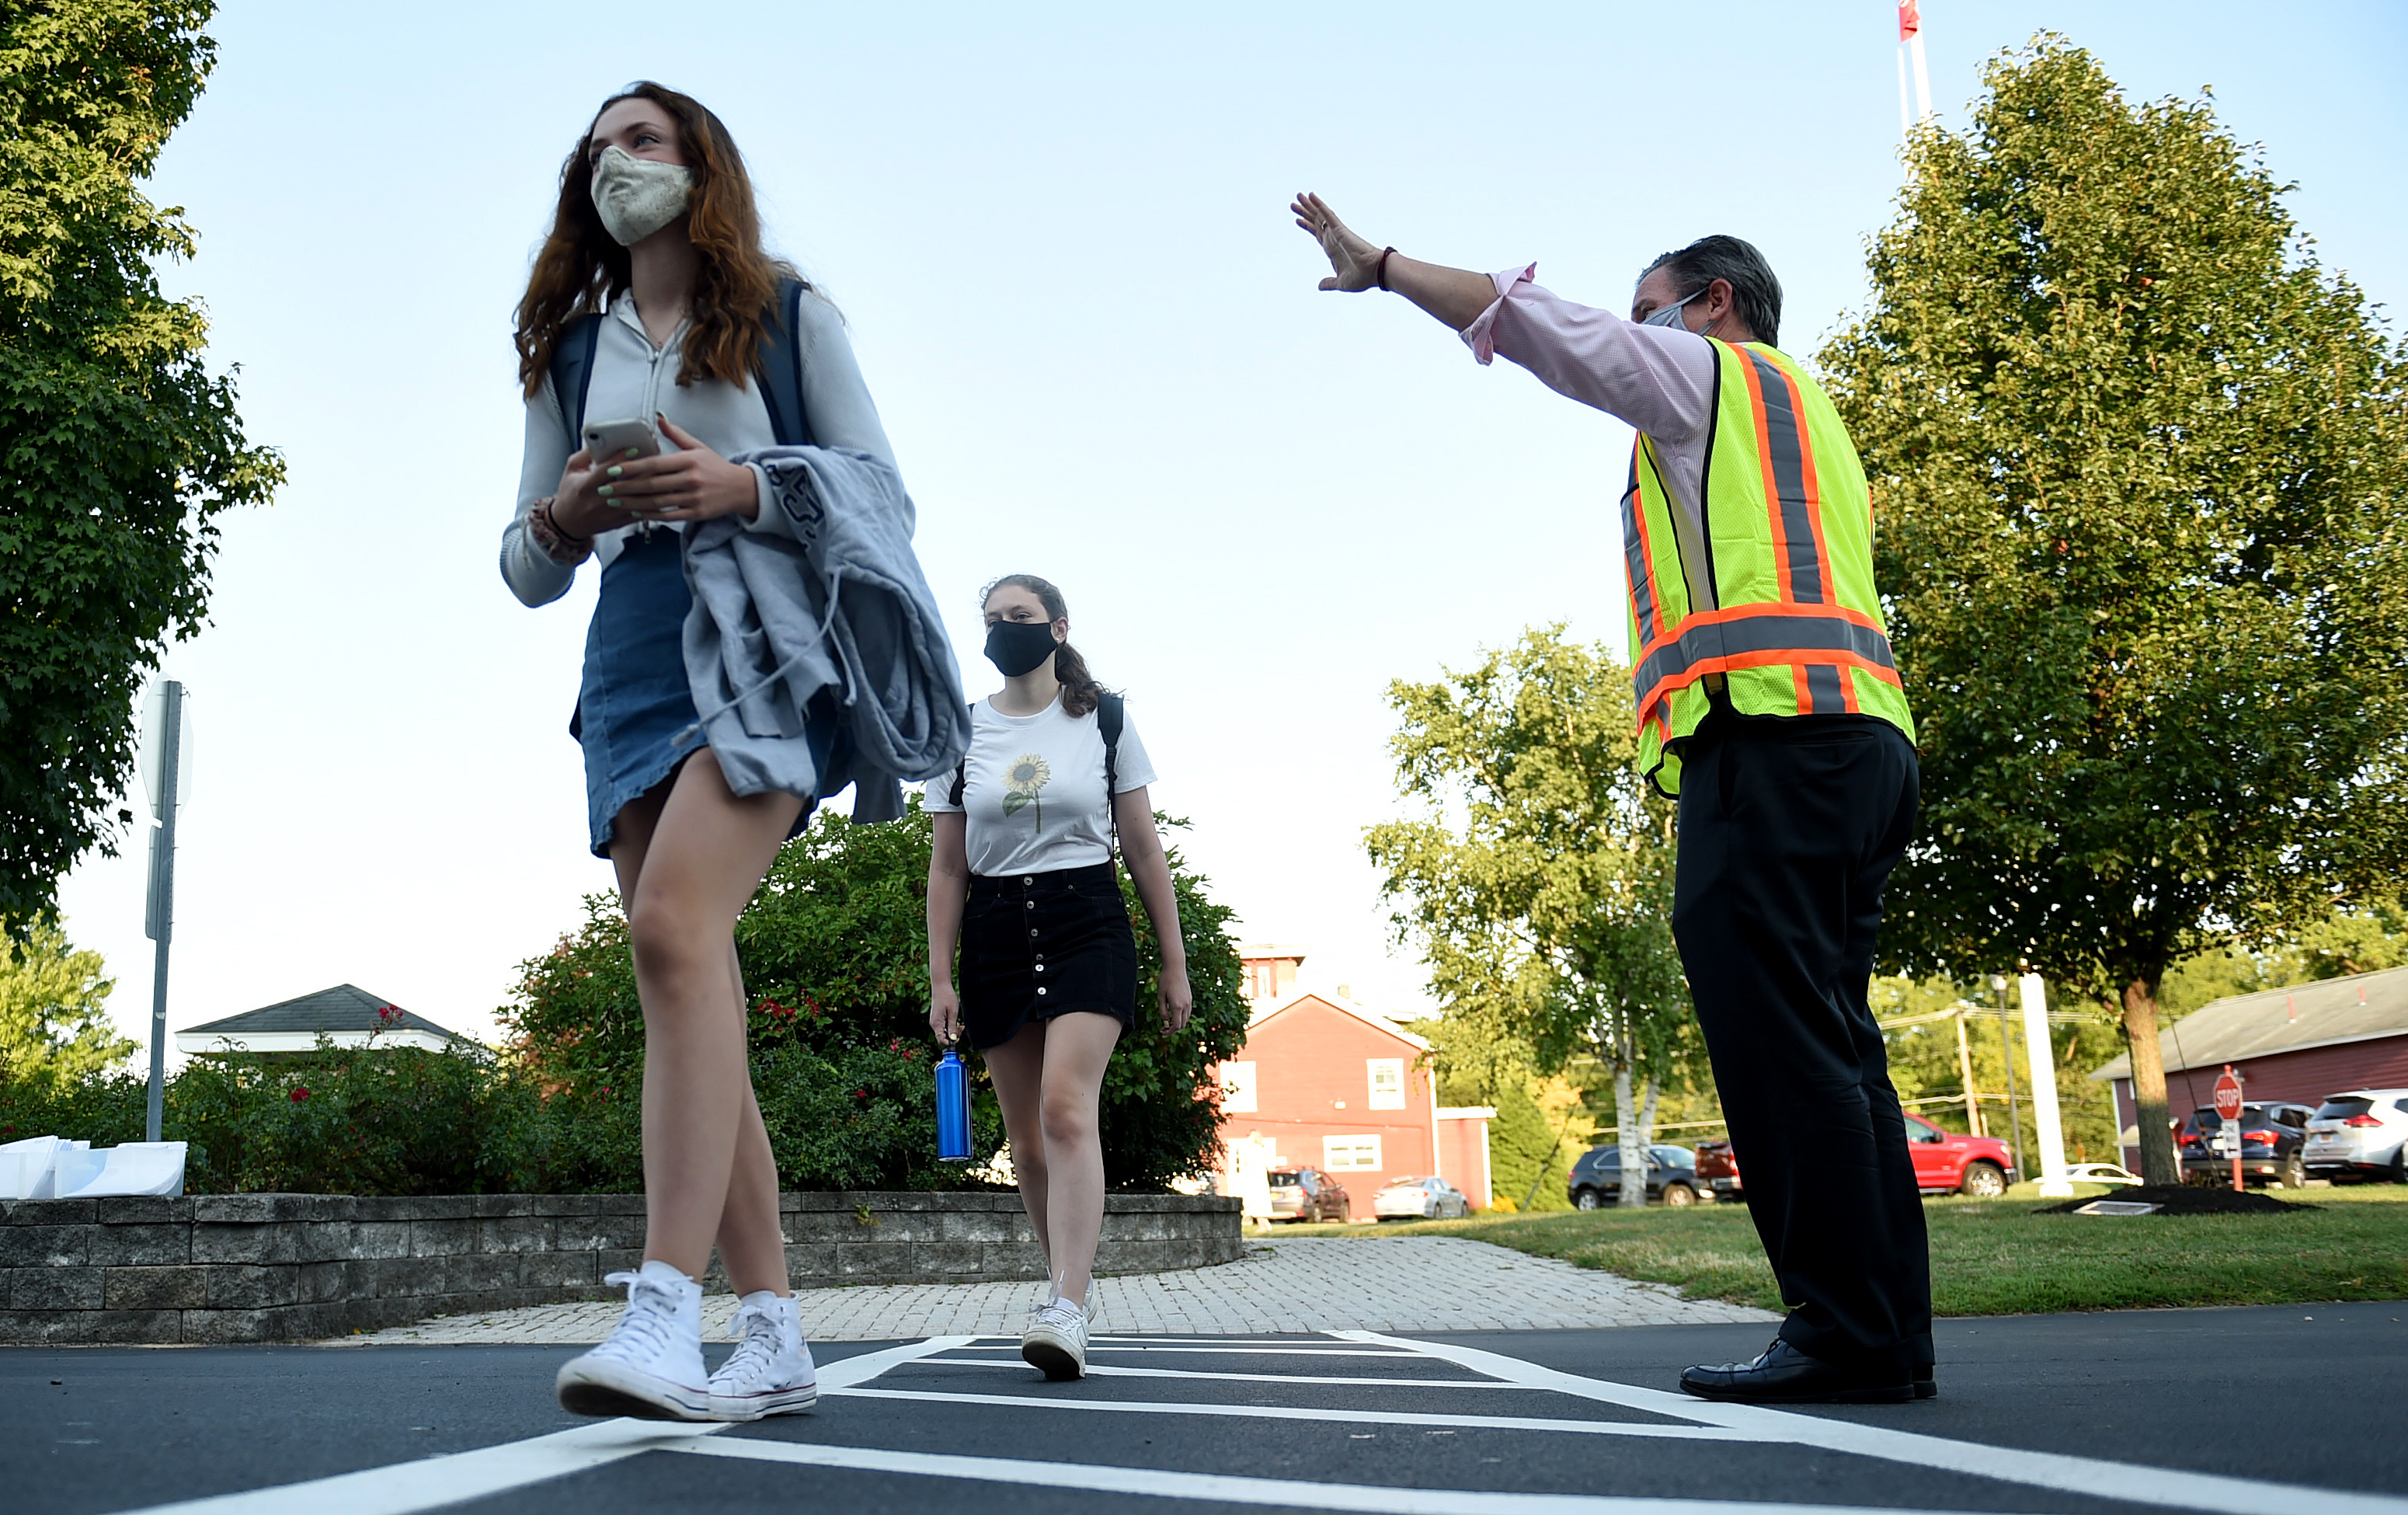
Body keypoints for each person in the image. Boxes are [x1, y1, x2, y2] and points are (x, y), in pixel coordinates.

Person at [1293, 194, 1930, 1405]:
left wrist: (1382, 267)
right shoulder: (1806, 414)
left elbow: (1547, 330)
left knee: (1784, 1055)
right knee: (1840, 1049)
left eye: (1656, 313)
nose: (1642, 338)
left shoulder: (1711, 381)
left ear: (1715, 307)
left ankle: (1845, 1334)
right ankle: (1885, 1332)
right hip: (1859, 743)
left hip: (1774, 744)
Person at [501, 82, 921, 1423]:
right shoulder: (568, 349)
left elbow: (885, 491)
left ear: (698, 167)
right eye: (600, 143)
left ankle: (665, 1312)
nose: (612, 158)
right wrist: (566, 515)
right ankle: (780, 1331)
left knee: (674, 937)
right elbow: (520, 566)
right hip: (627, 644)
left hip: (762, 628)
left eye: (642, 139)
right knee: (694, 983)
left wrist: (740, 482)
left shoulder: (789, 314)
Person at [924, 575, 1194, 1381]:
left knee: (1064, 1109)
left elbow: (1144, 849)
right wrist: (940, 976)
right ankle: (1061, 1291)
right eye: (993, 620)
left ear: (1058, 628)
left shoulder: (1104, 720)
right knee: (1026, 1145)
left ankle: (1067, 1307)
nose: (1005, 630)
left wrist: (1173, 961)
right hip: (996, 930)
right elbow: (945, 868)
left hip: (1086, 918)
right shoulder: (959, 734)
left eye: (1021, 617)